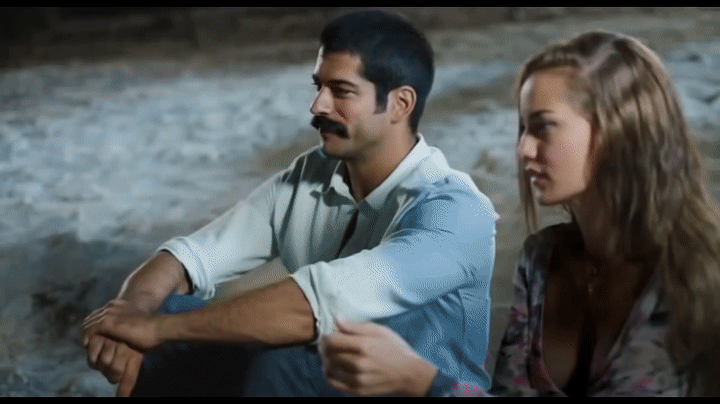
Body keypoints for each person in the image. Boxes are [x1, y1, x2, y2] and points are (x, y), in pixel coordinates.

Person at [81, 9, 498, 397]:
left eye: (341, 91)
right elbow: (188, 259)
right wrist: (130, 318)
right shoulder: (313, 174)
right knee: (171, 312)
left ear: (400, 104)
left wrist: (154, 330)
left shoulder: (454, 211)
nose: (318, 106)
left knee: (282, 360)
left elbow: (314, 305)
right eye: (319, 87)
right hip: (317, 373)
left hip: (416, 390)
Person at [320, 30, 720, 397]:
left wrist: (421, 381)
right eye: (523, 128)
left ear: (620, 129)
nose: (523, 149)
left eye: (543, 127)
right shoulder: (542, 260)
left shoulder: (693, 276)